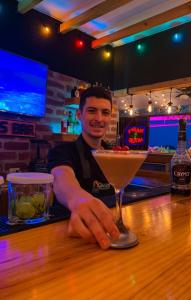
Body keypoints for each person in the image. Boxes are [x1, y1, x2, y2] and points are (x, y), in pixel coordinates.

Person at [48, 86, 120, 249]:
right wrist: (77, 197)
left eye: (105, 113)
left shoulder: (114, 153)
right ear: (79, 115)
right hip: (74, 240)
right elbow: (61, 177)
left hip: (111, 229)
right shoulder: (62, 150)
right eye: (92, 111)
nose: (99, 118)